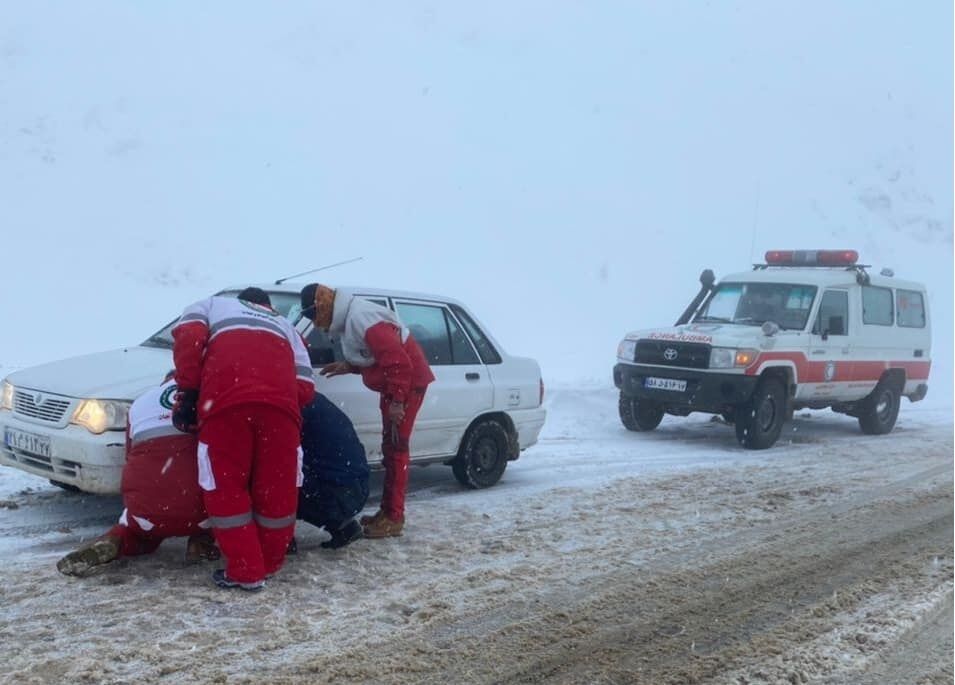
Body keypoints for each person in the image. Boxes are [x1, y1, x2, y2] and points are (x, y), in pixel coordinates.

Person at [172, 287, 314, 591]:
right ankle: (270, 561)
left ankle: (246, 570)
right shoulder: (286, 325)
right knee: (277, 488)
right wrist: (271, 392)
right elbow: (305, 386)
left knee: (224, 485)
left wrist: (191, 389)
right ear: (267, 305)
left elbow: (189, 339)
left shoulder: (211, 304)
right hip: (281, 413)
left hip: (225, 405)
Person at [299, 283, 434, 539]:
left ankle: (394, 517)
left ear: (322, 307)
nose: (315, 324)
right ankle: (388, 512)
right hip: (398, 386)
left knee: (396, 450)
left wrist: (397, 402)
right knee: (390, 449)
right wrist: (350, 367)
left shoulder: (361, 318)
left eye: (312, 316)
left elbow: (399, 363)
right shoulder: (353, 317)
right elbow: (377, 357)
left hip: (406, 386)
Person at [57, 371, 218, 577]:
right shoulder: (210, 397)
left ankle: (115, 542)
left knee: (137, 528)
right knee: (224, 504)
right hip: (199, 509)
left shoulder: (141, 403)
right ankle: (201, 542)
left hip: (147, 504)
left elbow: (130, 454)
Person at [294, 393, 370, 549]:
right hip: (354, 487)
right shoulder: (309, 397)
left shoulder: (294, 405)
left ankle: (280, 539)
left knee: (273, 473)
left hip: (338, 493)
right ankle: (344, 526)